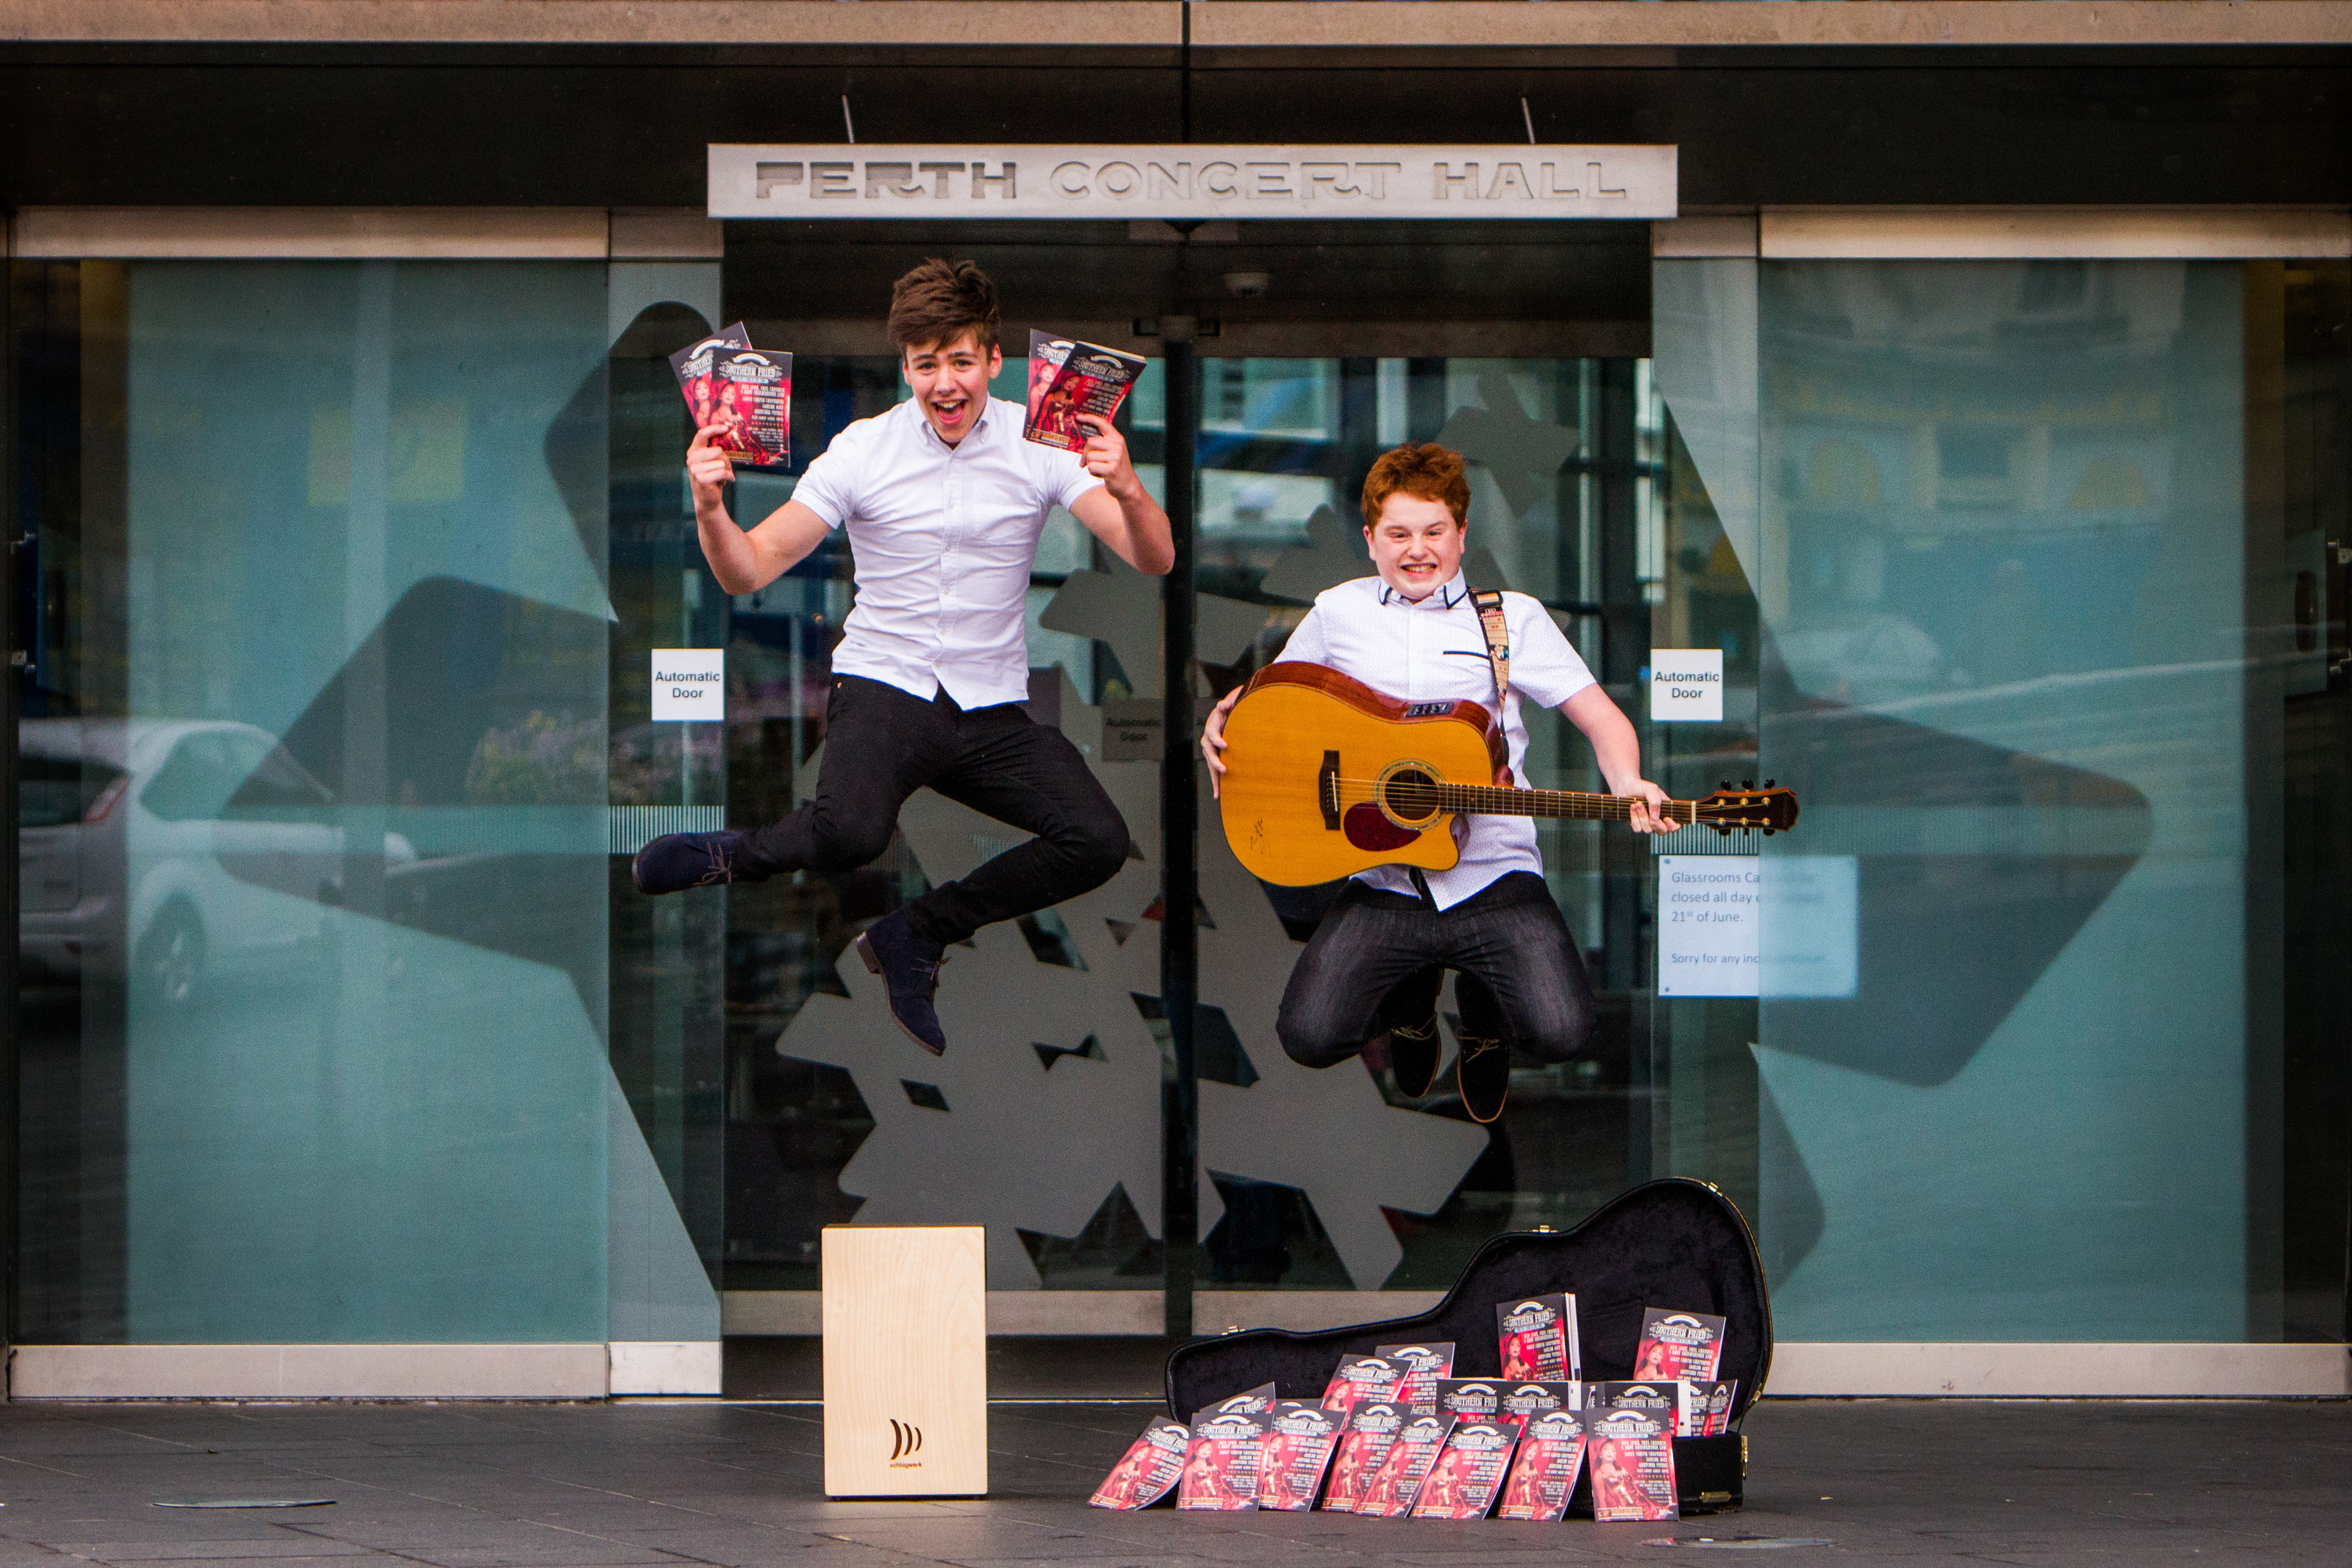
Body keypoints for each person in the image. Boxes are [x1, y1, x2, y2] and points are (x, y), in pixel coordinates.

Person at [632, 260, 1174, 1054]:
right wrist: (709, 506)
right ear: (906, 368)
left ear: (993, 360)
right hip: (885, 684)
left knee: (1092, 839)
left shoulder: (1042, 445)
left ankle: (916, 935)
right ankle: (730, 857)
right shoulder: (863, 450)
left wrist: (1126, 486)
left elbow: (1154, 557)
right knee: (851, 835)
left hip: (989, 705)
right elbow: (746, 569)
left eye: (960, 360)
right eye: (926, 365)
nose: (944, 384)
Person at [1201, 441, 1676, 1122]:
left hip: (1491, 874)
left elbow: (1600, 717)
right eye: (1397, 533)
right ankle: (1413, 1004)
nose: (1415, 550)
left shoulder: (1509, 620)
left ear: (1460, 535)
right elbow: (1277, 707)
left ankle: (1482, 1014)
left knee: (1561, 1032)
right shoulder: (1339, 612)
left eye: (1433, 532)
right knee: (1307, 1036)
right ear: (1370, 540)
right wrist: (1224, 720)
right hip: (1384, 876)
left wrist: (1627, 779)